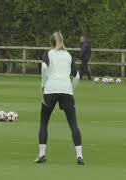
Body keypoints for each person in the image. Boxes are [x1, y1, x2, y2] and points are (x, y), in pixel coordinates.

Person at [35, 32, 84, 165]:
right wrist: (71, 90)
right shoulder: (68, 55)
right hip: (66, 90)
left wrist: (43, 84)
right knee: (73, 124)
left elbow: (44, 68)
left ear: (51, 42)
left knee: (44, 123)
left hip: (51, 89)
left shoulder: (48, 54)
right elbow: (77, 77)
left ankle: (42, 154)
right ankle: (79, 156)